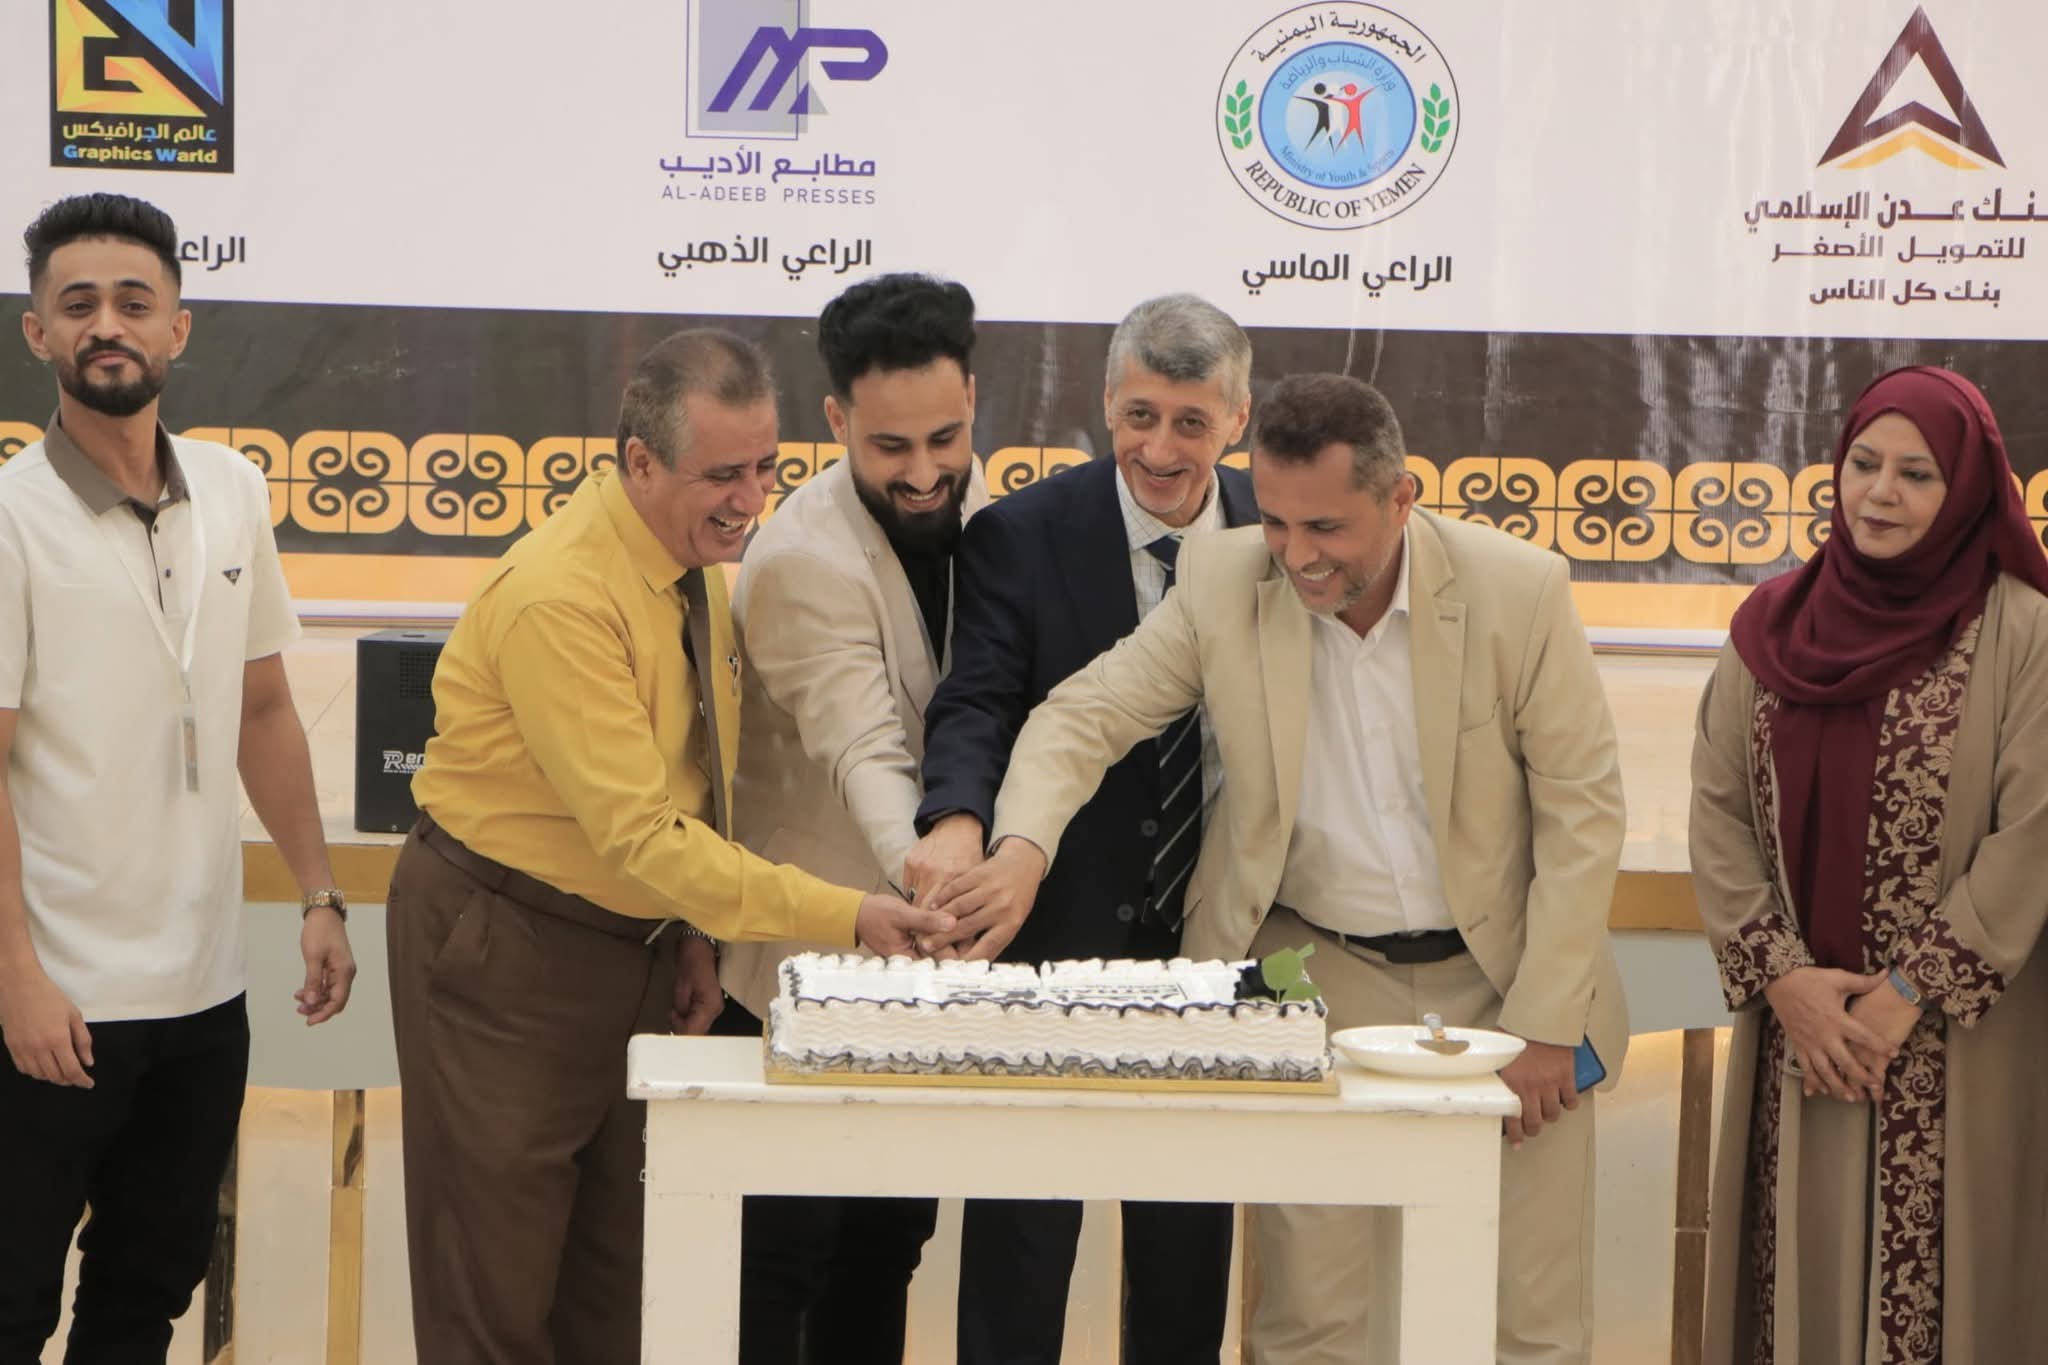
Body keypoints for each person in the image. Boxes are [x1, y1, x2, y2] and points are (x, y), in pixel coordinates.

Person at [934, 372, 1630, 1364]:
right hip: (1319, 981)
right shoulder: (1223, 579)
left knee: (1526, 1319)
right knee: (1309, 1325)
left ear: (1400, 499)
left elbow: (1581, 814)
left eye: (1327, 529)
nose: (1297, 556)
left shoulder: (1516, 590)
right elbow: (1084, 714)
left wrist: (1547, 1024)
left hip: (1508, 977)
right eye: (1276, 523)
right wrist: (1020, 849)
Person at [384, 328, 952, 1365]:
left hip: (634, 945)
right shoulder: (563, 595)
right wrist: (848, 915)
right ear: (640, 462)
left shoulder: (690, 566)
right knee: (496, 1297)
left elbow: (694, 779)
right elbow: (641, 833)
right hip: (504, 950)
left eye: (766, 466)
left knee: (615, 1296)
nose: (751, 498)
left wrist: (693, 930)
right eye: (722, 474)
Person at [0, 192, 357, 1362]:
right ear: (38, 333)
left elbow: (263, 709)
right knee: (11, 1307)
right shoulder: (10, 520)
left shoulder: (235, 489)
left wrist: (316, 893)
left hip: (204, 998)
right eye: (78, 304)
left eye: (133, 302)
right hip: (54, 1005)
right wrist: (15, 977)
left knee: (145, 1296)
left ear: (178, 328)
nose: (107, 325)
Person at [908, 293, 1259, 1365]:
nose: (1160, 448)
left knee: (1185, 1261)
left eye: (1191, 422)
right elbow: (977, 703)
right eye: (1140, 415)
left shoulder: (1280, 532)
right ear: (1105, 403)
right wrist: (959, 821)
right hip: (1047, 933)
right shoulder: (1019, 535)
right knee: (1018, 1258)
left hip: (1214, 946)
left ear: (1237, 419)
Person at [1689, 365, 2048, 1364]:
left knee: (1958, 1287)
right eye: (1863, 464)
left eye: (1916, 474)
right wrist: (1786, 981)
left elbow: (2033, 830)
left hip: (1960, 1044)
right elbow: (1717, 811)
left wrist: (1906, 992)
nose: (1879, 493)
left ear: (1967, 489)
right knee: (1796, 1277)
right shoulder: (1773, 624)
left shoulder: (2022, 632)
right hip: (1801, 1040)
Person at [717, 274, 988, 1363]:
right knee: (781, 1261)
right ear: (835, 421)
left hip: (919, 976)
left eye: (944, 438)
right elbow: (865, 750)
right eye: (889, 447)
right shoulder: (800, 560)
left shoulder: (990, 512)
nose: (922, 471)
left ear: (974, 400)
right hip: (800, 964)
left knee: (887, 1249)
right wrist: (938, 879)